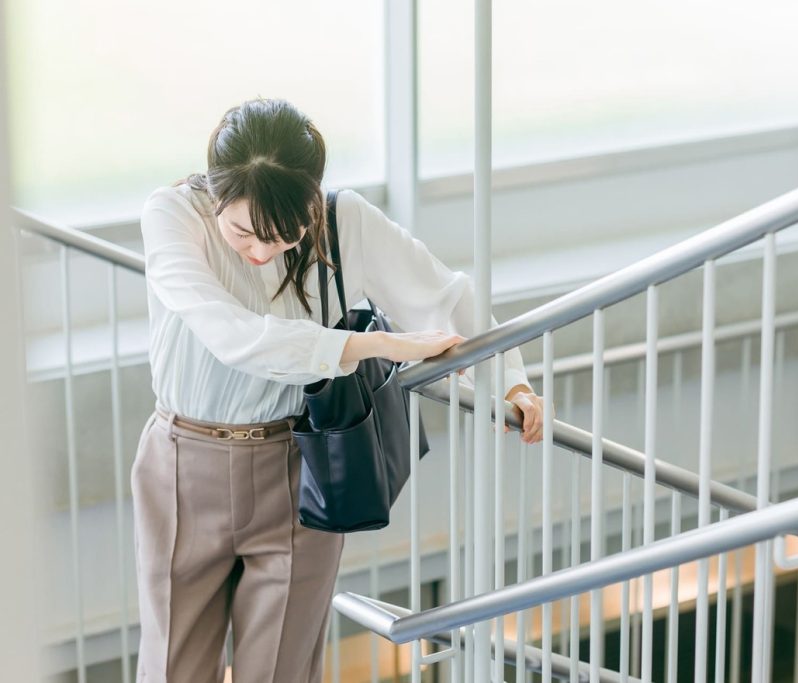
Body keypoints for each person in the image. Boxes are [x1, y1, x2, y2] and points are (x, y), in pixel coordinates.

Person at [130, 97, 546, 683]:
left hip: (299, 466)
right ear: (217, 194)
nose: (261, 251)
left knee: (282, 671)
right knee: (172, 666)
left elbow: (445, 296)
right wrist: (370, 346)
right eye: (243, 231)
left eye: (284, 234)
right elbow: (232, 335)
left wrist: (511, 382)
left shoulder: (342, 219)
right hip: (182, 464)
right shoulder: (173, 214)